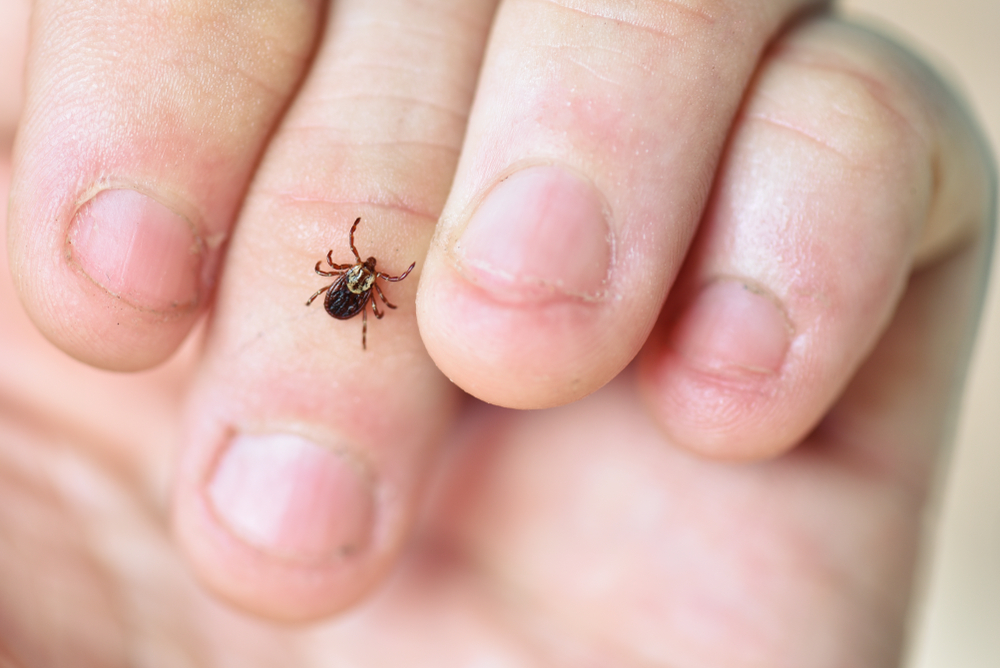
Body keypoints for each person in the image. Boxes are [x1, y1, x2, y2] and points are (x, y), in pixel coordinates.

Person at [0, 0, 994, 664]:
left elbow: (339, 280)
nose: (353, 284)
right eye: (353, 281)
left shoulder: (350, 279)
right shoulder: (365, 282)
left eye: (355, 281)